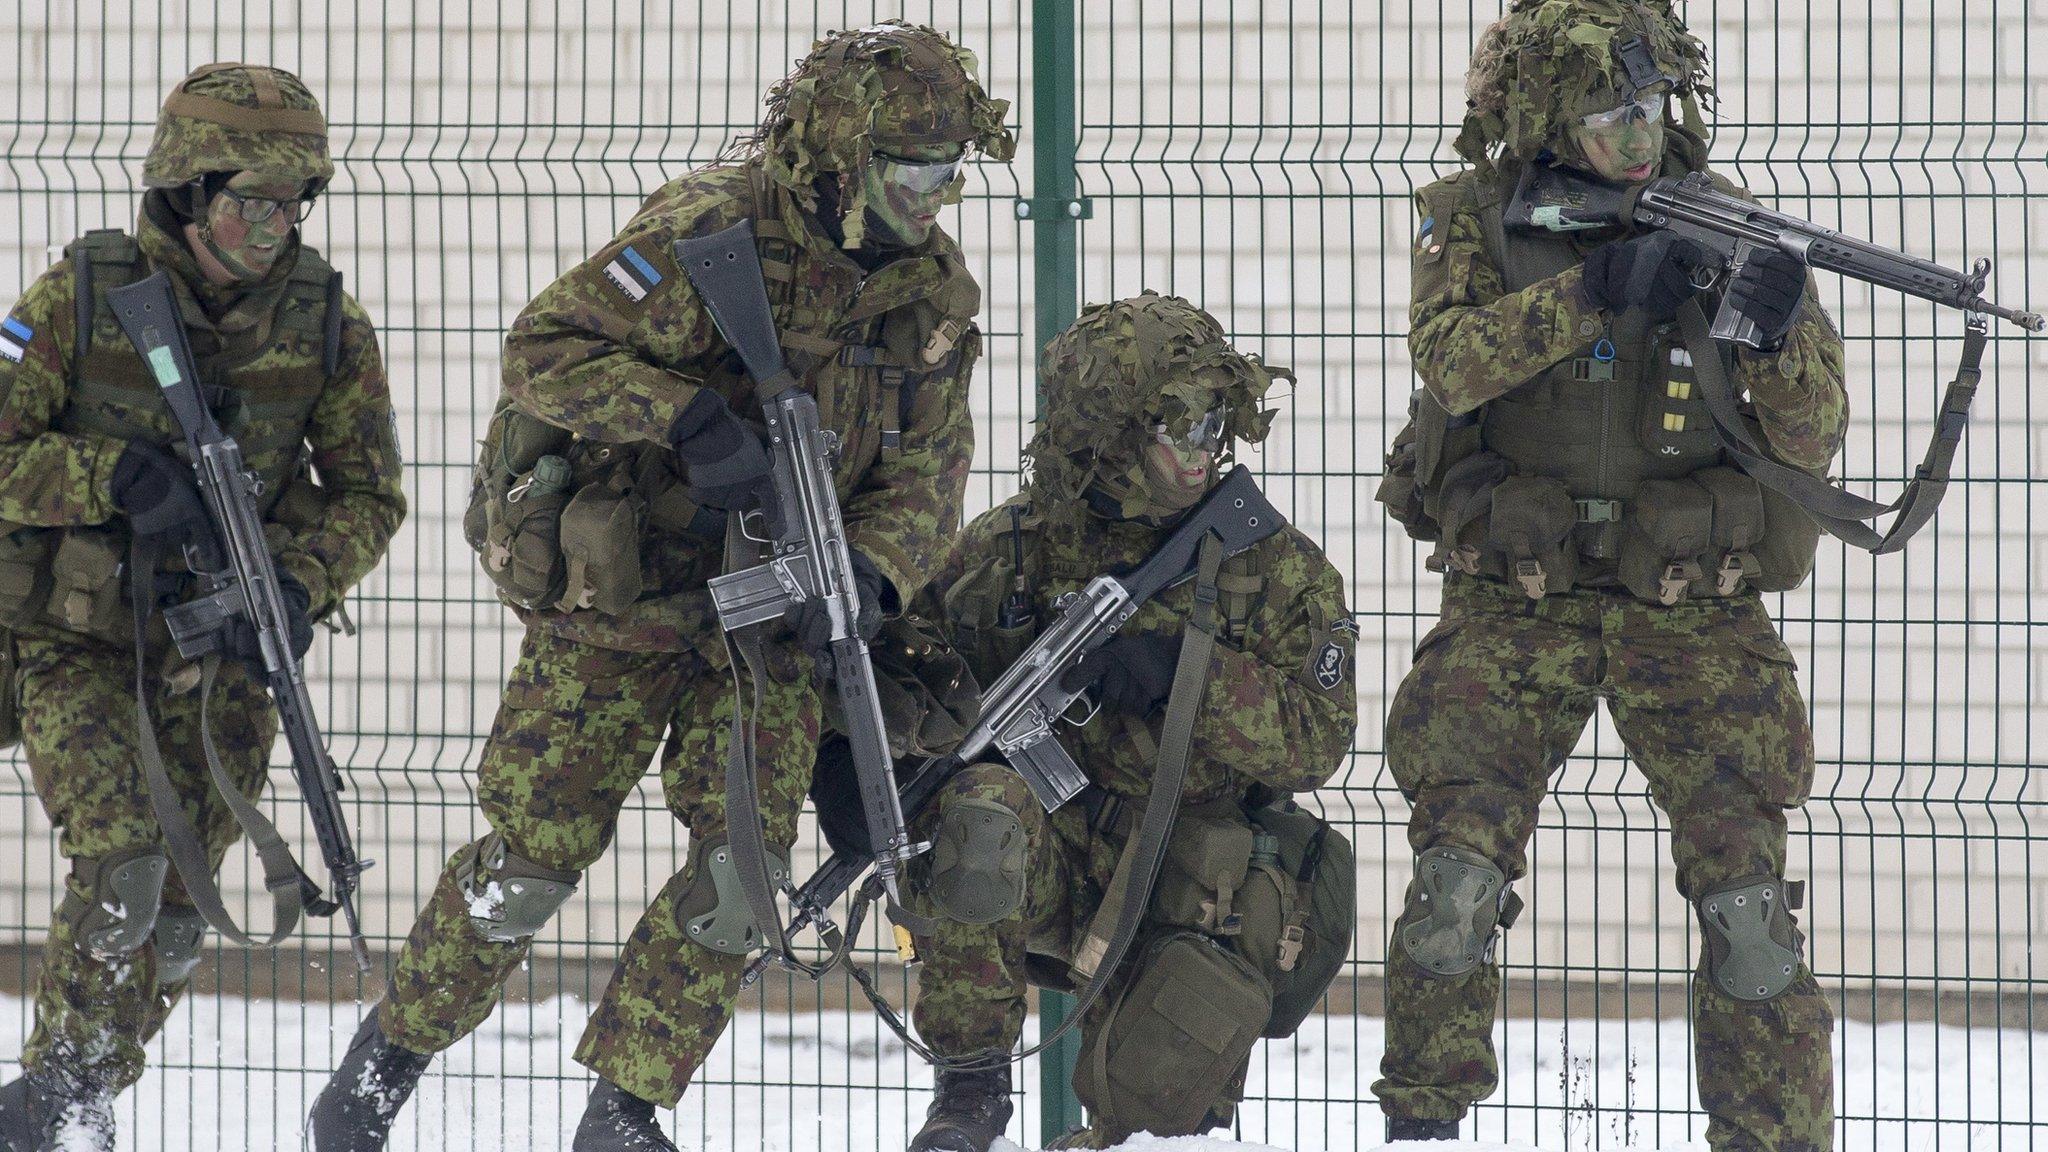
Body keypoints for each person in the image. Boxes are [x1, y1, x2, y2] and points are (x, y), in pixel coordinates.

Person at [305, 22, 1013, 1152]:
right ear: (842, 160)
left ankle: (622, 1111)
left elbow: (926, 475)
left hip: (775, 618)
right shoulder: (706, 236)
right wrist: (683, 418)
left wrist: (871, 580)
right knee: (531, 860)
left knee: (738, 876)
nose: (937, 195)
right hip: (622, 604)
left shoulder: (926, 298)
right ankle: (386, 1064)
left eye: (949, 172)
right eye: (913, 171)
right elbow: (546, 347)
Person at [1370, 2, 1844, 1148]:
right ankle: (1424, 1120)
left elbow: (1813, 435)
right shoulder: (1474, 221)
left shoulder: (1728, 226)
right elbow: (1449, 363)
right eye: (1600, 115)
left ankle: (1771, 1134)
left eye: (1647, 109)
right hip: (1514, 593)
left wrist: (1771, 331)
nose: (1632, 139)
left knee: (1745, 905)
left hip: (1690, 599)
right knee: (1453, 879)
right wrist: (1595, 288)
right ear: (1541, 117)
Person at [0, 63, 405, 1152]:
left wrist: (298, 580)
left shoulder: (326, 321)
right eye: (247, 204)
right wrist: (108, 479)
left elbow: (371, 494)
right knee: (125, 868)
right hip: (78, 637)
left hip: (225, 646)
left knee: (181, 911)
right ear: (187, 190)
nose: (271, 229)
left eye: (291, 205)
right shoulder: (82, 298)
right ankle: (59, 1102)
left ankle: (68, 1097)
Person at [901, 293, 1358, 1151]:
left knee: (1152, 1113)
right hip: (1049, 850)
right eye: (1180, 428)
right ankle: (970, 1089)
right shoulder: (1013, 547)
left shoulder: (1269, 565)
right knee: (979, 810)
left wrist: (1182, 674)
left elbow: (1319, 740)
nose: (1206, 450)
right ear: (1109, 438)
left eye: (1217, 423)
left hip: (1186, 866)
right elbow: (915, 674)